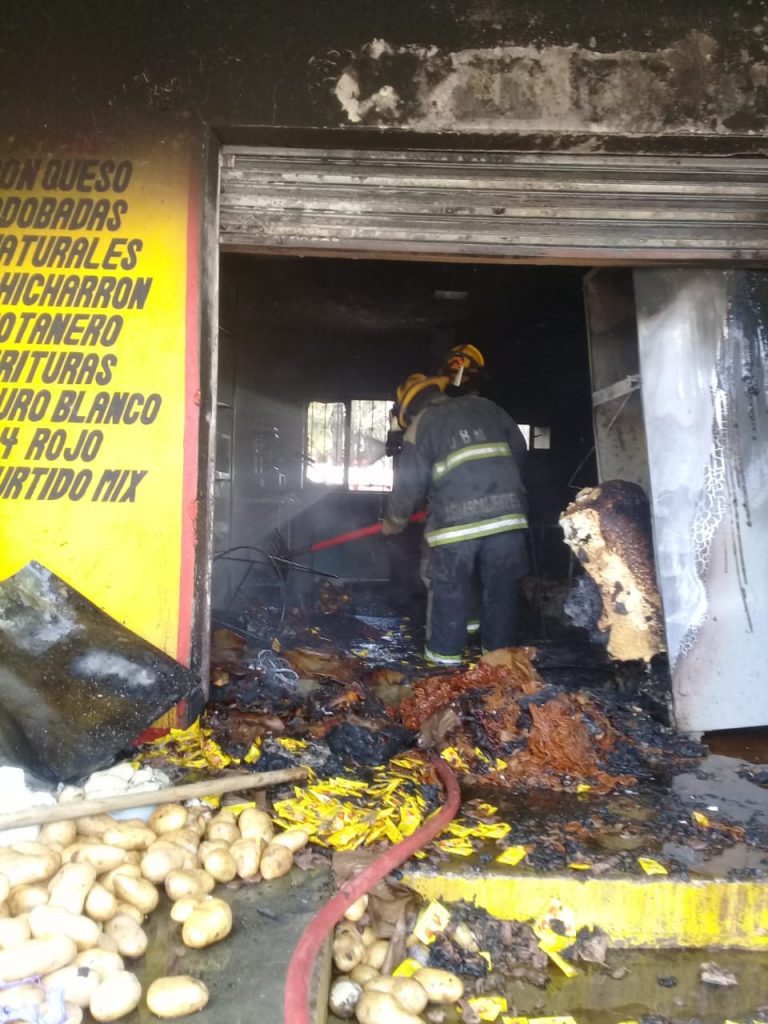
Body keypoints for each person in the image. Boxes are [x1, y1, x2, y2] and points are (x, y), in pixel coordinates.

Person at [382, 372, 529, 666]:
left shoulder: (421, 425)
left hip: (454, 525)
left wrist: (393, 522)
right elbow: (519, 449)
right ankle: (498, 669)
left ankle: (444, 669)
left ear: (408, 410)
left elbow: (409, 484)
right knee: (502, 592)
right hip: (507, 517)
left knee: (450, 590)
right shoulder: (486, 407)